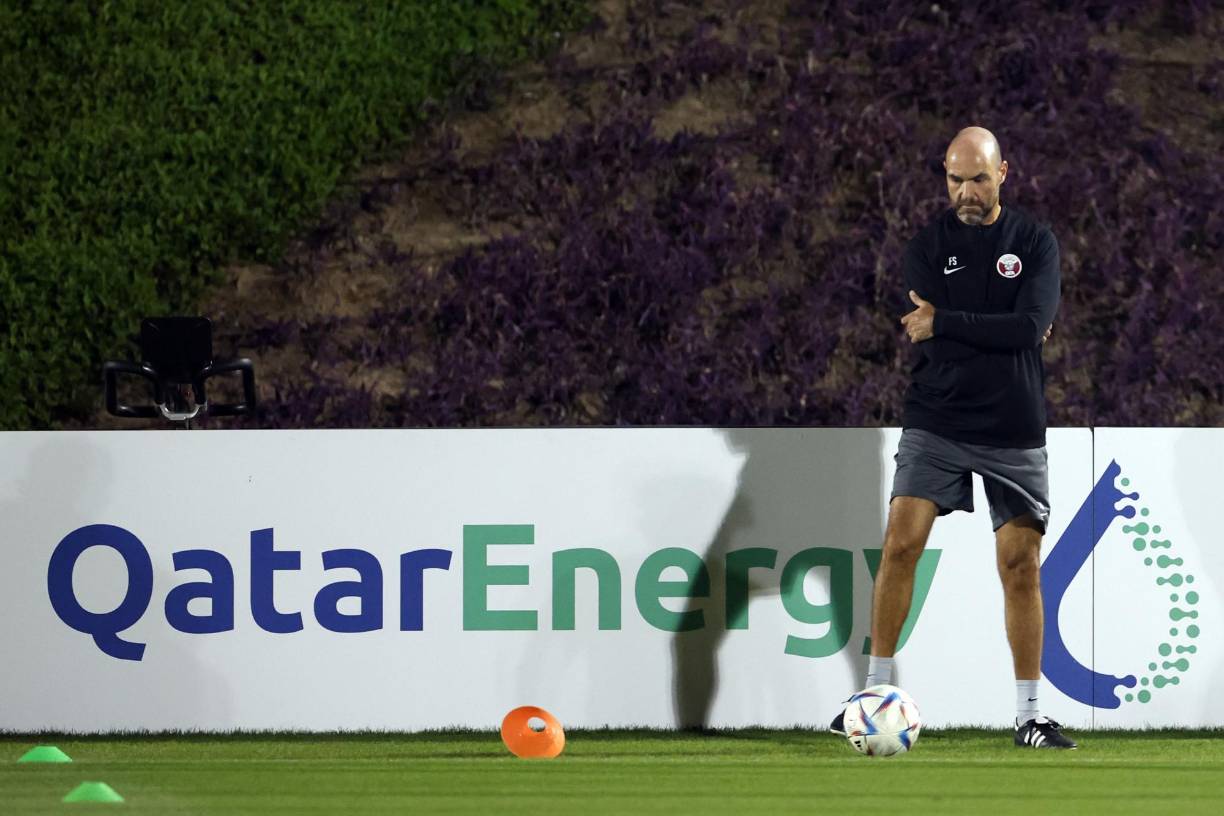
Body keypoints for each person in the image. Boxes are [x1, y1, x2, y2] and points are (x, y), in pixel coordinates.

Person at [830, 126, 1074, 749]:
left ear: (1004, 174)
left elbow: (1029, 328)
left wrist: (950, 323)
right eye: (955, 179)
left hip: (1013, 425)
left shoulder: (1035, 243)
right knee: (900, 545)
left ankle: (1029, 715)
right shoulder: (926, 246)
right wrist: (998, 327)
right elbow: (986, 329)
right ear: (945, 175)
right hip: (936, 418)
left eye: (978, 179)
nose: (965, 192)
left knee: (1020, 567)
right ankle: (872, 694)